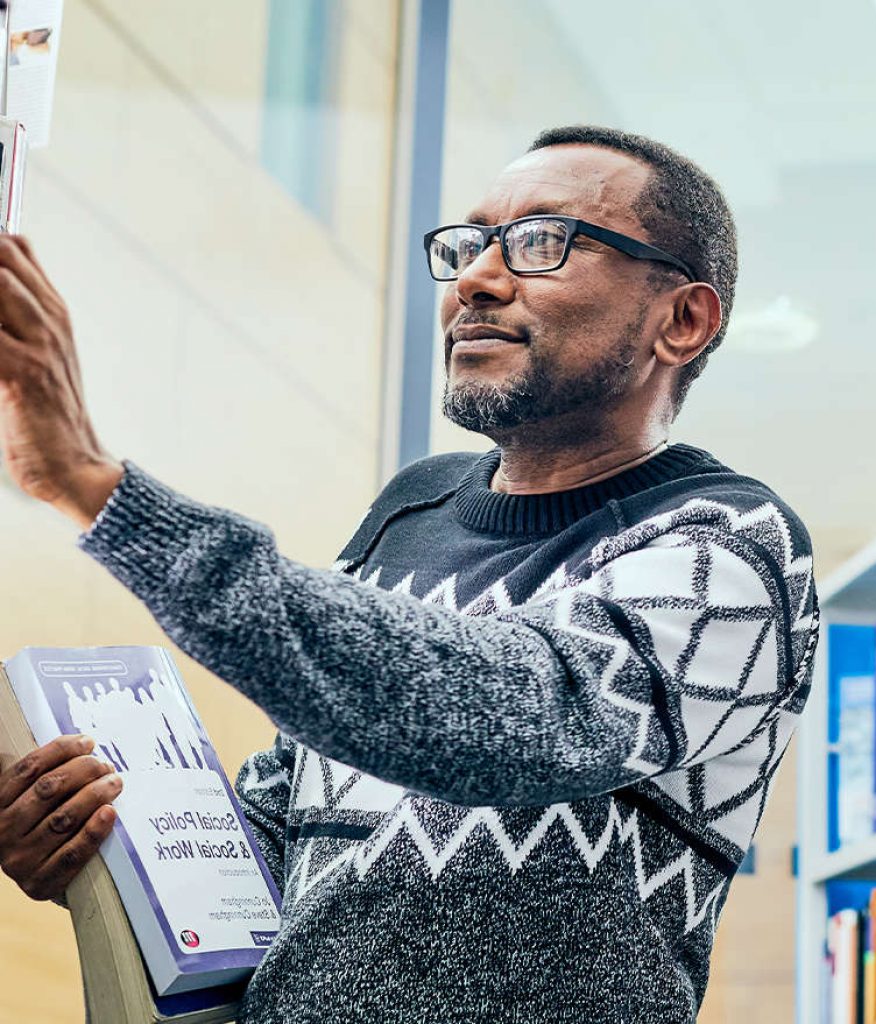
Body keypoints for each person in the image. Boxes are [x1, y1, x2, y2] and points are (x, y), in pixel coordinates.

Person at [0, 125, 819, 1023]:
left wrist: (96, 488)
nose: (474, 280)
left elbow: (508, 715)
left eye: (541, 242)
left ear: (683, 319)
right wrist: (105, 847)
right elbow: (280, 838)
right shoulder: (410, 511)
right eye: (469, 245)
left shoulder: (732, 547)